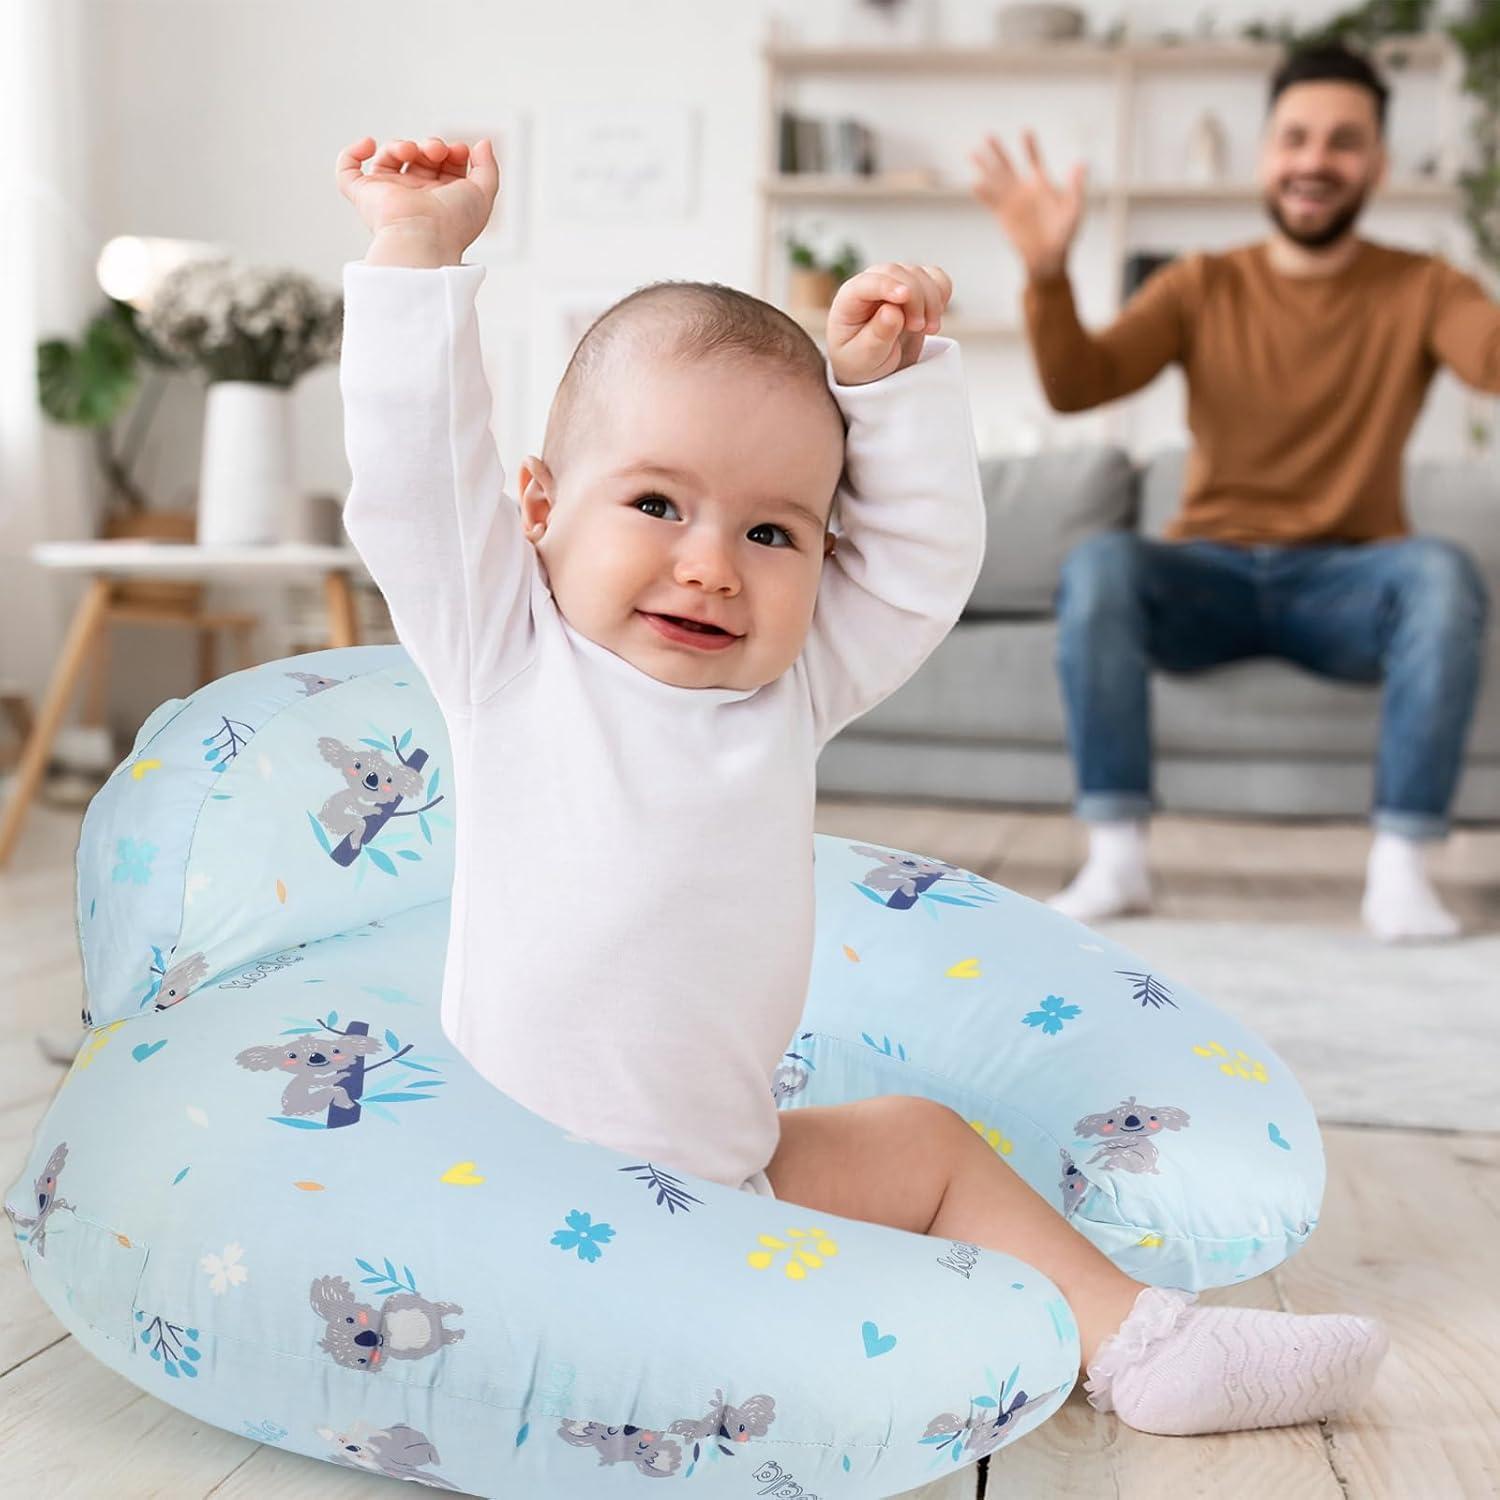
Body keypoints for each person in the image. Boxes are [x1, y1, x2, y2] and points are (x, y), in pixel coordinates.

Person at [335, 131, 1386, 1437]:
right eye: (657, 503)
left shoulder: (789, 689)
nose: (713, 565)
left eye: (773, 531)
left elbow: (918, 567)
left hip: (719, 1190)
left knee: (926, 1144)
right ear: (539, 507)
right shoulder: (503, 653)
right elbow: (412, 480)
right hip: (517, 1201)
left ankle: (1146, 1348)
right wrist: (418, 254)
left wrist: (883, 389)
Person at [972, 42, 1498, 941]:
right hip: (1206, 577)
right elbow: (1078, 384)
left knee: (1442, 574)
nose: (1314, 161)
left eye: (1342, 142)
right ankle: (1118, 860)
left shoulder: (1423, 286)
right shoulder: (1201, 283)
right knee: (1101, 564)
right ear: (1265, 156)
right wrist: (1048, 274)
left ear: (1373, 163)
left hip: (1350, 584)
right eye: (1295, 137)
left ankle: (1401, 873)